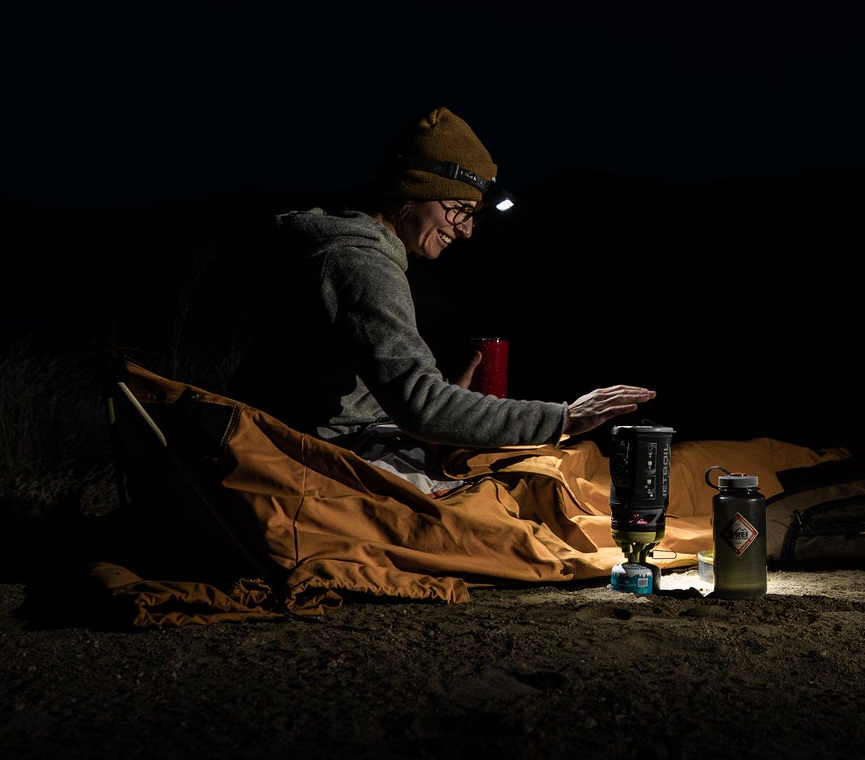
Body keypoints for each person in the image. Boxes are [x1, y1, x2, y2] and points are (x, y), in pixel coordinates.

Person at [227, 106, 656, 494]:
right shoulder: (359, 263)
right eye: (457, 208)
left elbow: (338, 385)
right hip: (317, 458)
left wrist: (445, 399)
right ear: (412, 192)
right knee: (524, 491)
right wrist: (561, 419)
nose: (465, 229)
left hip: (321, 439)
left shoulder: (348, 251)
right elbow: (421, 407)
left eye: (473, 215)